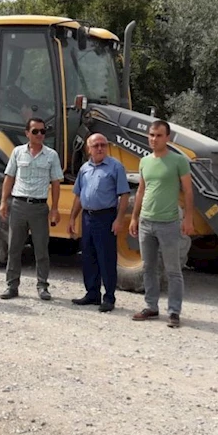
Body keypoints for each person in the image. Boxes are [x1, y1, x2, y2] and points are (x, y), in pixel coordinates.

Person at [128, 120, 195, 328]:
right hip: (146, 223)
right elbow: (141, 190)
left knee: (173, 270)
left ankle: (174, 311)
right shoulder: (144, 161)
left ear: (167, 138)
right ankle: (151, 306)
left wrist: (189, 218)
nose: (153, 139)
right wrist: (134, 217)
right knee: (149, 268)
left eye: (158, 135)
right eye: (151, 135)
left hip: (168, 223)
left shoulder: (178, 161)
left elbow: (188, 191)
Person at [0, 118, 63, 300]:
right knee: (14, 247)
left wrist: (55, 208)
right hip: (18, 205)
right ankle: (12, 286)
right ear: (27, 133)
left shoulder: (51, 155)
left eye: (43, 132)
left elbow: (56, 183)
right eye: (35, 131)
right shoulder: (18, 152)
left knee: (41, 249)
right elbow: (9, 177)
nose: (40, 135)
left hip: (39, 207)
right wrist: (4, 201)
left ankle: (42, 286)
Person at [68, 134, 130, 312]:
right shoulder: (84, 169)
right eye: (96, 145)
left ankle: (109, 298)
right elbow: (79, 195)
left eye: (103, 144)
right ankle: (92, 294)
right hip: (87, 217)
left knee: (107, 258)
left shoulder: (116, 167)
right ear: (89, 148)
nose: (100, 148)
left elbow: (124, 195)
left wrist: (119, 219)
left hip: (106, 218)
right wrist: (72, 218)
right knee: (88, 256)